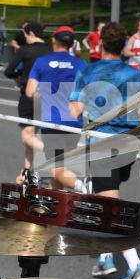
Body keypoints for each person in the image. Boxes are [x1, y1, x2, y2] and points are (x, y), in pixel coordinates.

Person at [74, 23, 140, 279]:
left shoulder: (88, 72)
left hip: (103, 142)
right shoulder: (136, 74)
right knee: (104, 197)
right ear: (125, 46)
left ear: (99, 44)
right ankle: (104, 259)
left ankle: (135, 265)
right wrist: (132, 114)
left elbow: (75, 109)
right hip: (129, 143)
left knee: (109, 204)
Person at [26, 27, 85, 188]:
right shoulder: (81, 64)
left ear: (53, 40)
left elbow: (30, 92)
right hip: (74, 123)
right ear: (73, 44)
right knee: (60, 169)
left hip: (53, 122)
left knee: (57, 170)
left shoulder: (42, 62)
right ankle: (52, 207)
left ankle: (82, 186)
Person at [5, 21, 53, 177]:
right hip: (51, 96)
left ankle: (54, 153)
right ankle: (25, 172)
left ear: (31, 34)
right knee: (32, 136)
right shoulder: (52, 50)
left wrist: (18, 79)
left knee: (27, 137)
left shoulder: (25, 50)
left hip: (30, 95)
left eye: (25, 34)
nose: (24, 37)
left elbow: (9, 70)